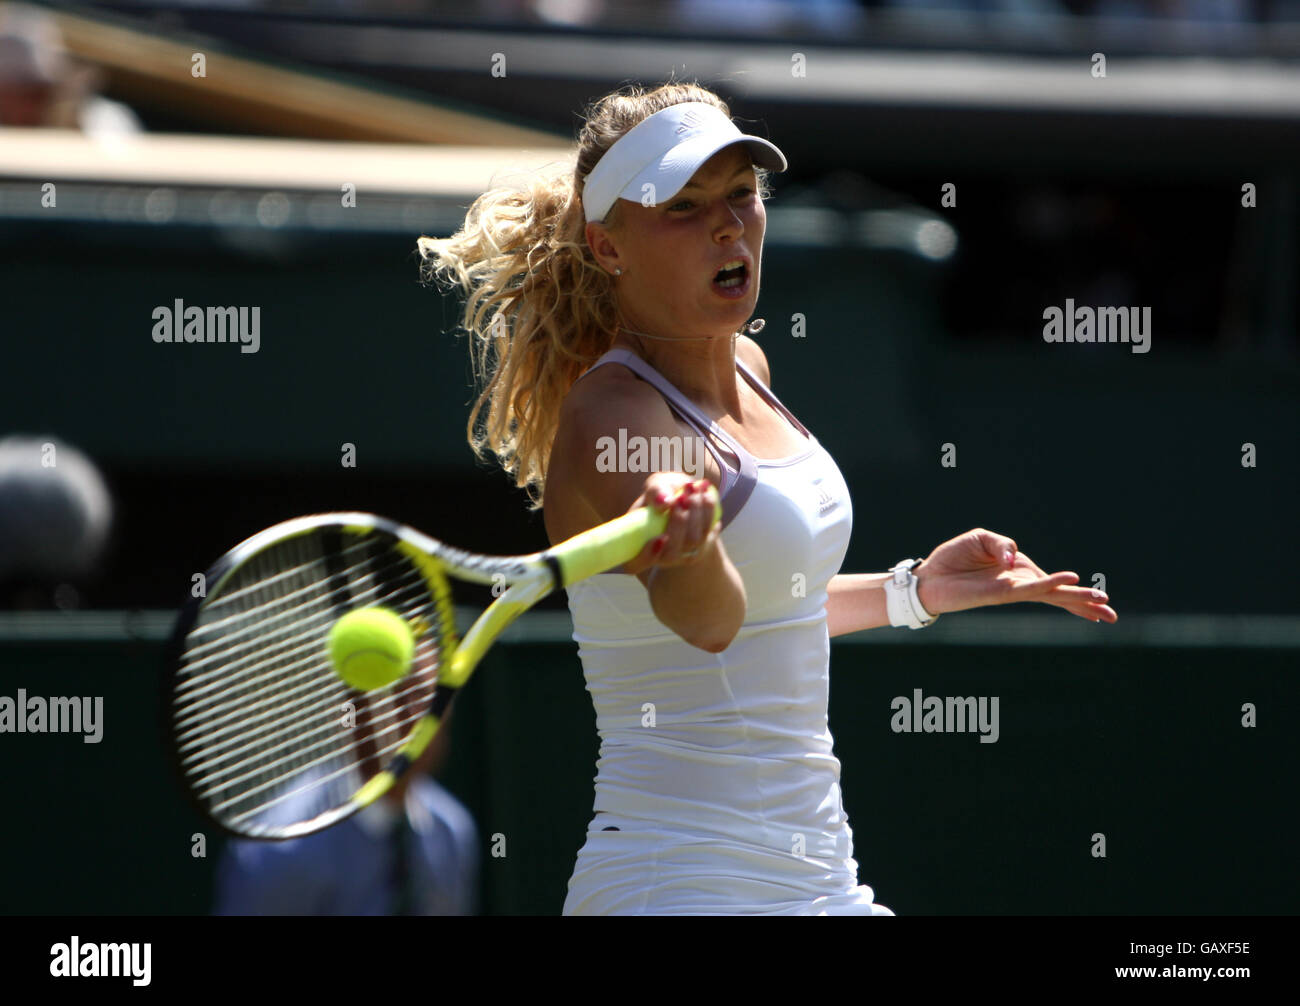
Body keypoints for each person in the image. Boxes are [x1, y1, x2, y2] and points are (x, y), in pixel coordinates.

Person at [418, 81, 1117, 916]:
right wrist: (695, 543)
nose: (727, 225)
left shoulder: (751, 368)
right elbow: (709, 621)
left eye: (741, 195)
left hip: (818, 879)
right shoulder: (613, 422)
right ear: (609, 249)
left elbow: (770, 613)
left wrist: (914, 591)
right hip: (677, 883)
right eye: (683, 206)